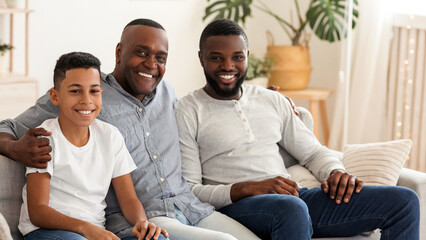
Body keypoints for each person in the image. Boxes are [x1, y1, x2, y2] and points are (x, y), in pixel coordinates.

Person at [0, 19, 258, 240]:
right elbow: (8, 126)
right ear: (119, 52)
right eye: (142, 53)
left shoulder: (167, 92)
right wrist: (14, 147)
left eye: (160, 58)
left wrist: (265, 101)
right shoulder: (86, 91)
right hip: (141, 220)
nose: (151, 64)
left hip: (190, 206)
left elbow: (208, 107)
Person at [174, 19, 421, 240]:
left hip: (295, 201)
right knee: (291, 208)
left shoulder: (271, 100)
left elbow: (312, 152)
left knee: (404, 201)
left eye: (237, 57)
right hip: (237, 207)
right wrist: (248, 187)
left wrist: (336, 171)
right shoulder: (188, 110)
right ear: (201, 58)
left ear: (247, 56)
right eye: (217, 57)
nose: (228, 66)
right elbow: (190, 190)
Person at [18, 52, 168, 240]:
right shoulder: (44, 138)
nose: (86, 100)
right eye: (75, 91)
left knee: (157, 239)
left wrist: (141, 222)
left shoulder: (110, 136)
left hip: (94, 233)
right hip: (45, 232)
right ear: (55, 97)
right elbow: (38, 211)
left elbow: (129, 199)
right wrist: (85, 228)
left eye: (94, 91)